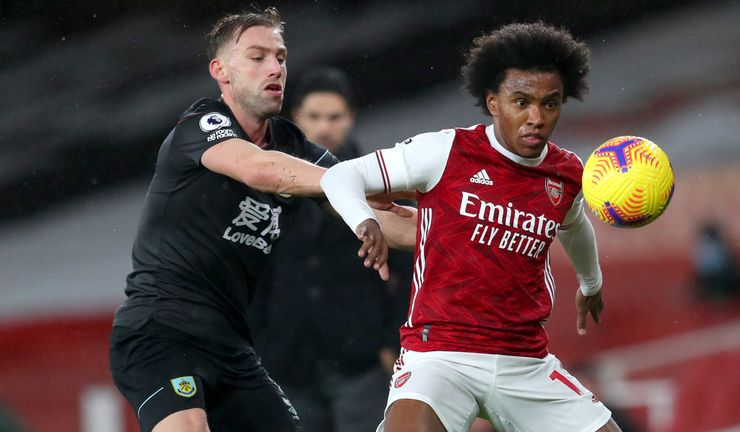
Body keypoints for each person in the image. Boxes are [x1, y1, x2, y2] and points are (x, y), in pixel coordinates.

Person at [108, 8, 411, 432]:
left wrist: (466, 227)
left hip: (232, 347)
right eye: (257, 56)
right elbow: (260, 170)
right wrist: (352, 187)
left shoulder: (293, 145)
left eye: (281, 57)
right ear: (221, 71)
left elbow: (381, 212)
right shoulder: (202, 125)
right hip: (160, 331)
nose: (275, 67)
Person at [321, 22, 623, 432]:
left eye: (550, 104)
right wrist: (365, 221)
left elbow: (574, 226)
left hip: (525, 361)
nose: (536, 118)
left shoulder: (567, 174)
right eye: (522, 101)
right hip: (441, 353)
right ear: (493, 101)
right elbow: (339, 178)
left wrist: (591, 284)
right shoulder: (445, 151)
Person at [253, 66, 412, 432]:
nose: (324, 127)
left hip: (361, 359)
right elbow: (253, 273)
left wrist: (393, 342)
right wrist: (258, 342)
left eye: (334, 116)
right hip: (287, 358)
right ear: (295, 118)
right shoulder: (266, 185)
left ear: (351, 118)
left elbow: (408, 275)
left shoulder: (379, 186)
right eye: (314, 116)